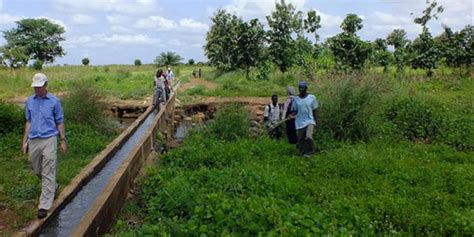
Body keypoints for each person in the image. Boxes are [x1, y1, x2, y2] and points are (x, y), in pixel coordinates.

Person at [21, 73, 67, 219]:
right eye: (35, 87)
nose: (37, 90)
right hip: (34, 139)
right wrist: (24, 141)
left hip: (49, 139)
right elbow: (28, 121)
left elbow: (59, 121)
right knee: (37, 169)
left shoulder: (54, 101)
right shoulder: (29, 101)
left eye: (39, 87)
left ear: (45, 85)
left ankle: (44, 205)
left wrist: (63, 140)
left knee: (48, 169)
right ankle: (52, 185)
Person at [291, 81, 318, 157]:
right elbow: (295, 111)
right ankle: (303, 153)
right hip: (299, 122)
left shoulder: (312, 97)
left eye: (302, 88)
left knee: (308, 136)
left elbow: (314, 110)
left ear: (306, 88)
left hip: (310, 121)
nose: (301, 89)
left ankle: (311, 151)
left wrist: (316, 121)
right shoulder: (296, 99)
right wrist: (291, 115)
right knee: (301, 140)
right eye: (299, 88)